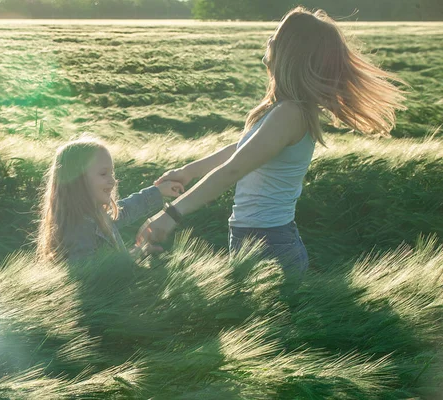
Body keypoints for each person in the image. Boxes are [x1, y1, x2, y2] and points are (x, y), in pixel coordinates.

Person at [137, 7, 405, 279]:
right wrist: (187, 172)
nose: (270, 39)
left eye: (277, 35)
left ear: (290, 51)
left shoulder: (291, 114)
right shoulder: (284, 109)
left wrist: (170, 215)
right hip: (257, 238)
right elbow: (241, 150)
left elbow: (233, 169)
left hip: (269, 244)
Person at [37, 138, 183, 262]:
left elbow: (126, 209)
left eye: (112, 173)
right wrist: (132, 258)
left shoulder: (96, 214)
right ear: (77, 180)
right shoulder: (78, 231)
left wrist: (159, 191)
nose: (112, 181)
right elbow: (93, 278)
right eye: (103, 174)